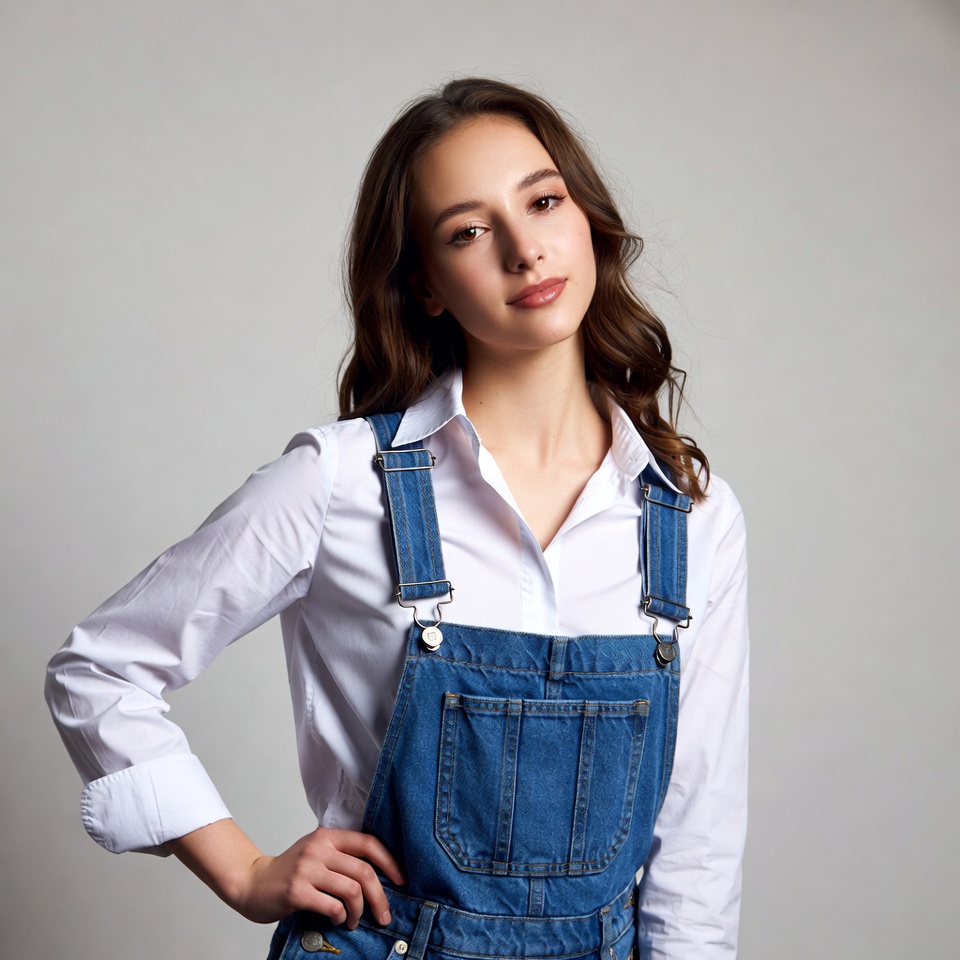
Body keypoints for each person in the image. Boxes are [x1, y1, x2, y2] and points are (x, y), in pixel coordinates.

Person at [45, 77, 749, 959]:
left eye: (543, 200)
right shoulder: (340, 483)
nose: (525, 250)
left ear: (589, 221)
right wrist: (243, 869)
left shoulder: (692, 517)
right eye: (469, 230)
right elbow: (99, 670)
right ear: (425, 285)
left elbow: (696, 844)